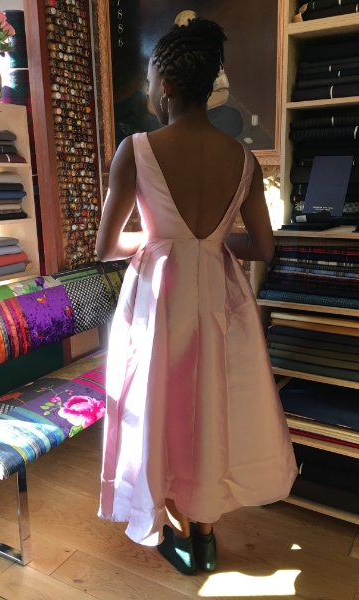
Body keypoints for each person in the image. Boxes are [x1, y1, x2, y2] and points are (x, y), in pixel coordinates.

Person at [96, 17, 297, 576]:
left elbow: (106, 246)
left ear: (165, 86)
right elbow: (262, 247)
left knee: (156, 401)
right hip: (218, 297)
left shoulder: (136, 149)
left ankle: (167, 520)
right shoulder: (244, 159)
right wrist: (209, 242)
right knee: (209, 405)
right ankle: (203, 537)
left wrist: (159, 240)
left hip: (158, 300)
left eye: (151, 81)